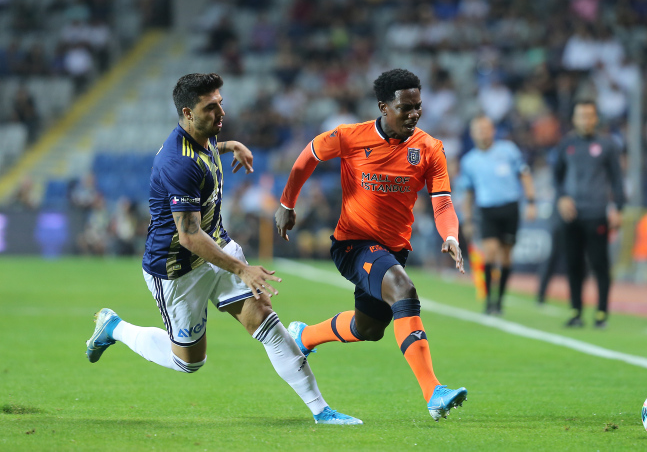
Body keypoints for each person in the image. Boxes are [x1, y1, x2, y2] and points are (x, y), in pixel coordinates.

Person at [85, 73, 360, 425]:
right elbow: (189, 235)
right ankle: (114, 327)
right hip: (177, 269)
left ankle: (322, 411)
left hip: (218, 247)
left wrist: (231, 145)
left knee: (267, 322)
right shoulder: (178, 162)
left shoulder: (203, 136)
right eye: (210, 107)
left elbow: (210, 150)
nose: (221, 112)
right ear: (188, 113)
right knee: (189, 362)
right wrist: (242, 269)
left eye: (220, 104)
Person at [274, 68, 468, 421]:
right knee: (404, 291)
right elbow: (308, 156)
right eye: (405, 107)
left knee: (369, 329)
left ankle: (305, 336)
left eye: (418, 107)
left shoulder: (430, 148)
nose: (414, 114)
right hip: (353, 243)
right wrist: (287, 203)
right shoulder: (350, 136)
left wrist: (450, 235)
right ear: (383, 107)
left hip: (394, 250)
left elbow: (442, 202)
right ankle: (434, 392)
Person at [553, 100, 625, 328]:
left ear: (596, 118)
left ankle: (601, 313)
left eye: (589, 116)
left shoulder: (607, 145)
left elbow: (617, 179)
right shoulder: (566, 144)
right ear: (574, 119)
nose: (585, 120)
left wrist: (618, 208)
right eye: (581, 116)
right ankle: (576, 311)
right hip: (572, 214)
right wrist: (562, 198)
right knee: (573, 264)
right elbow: (556, 177)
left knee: (599, 264)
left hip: (596, 213)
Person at [459, 116, 537, 314]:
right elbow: (467, 192)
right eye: (479, 129)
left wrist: (530, 201)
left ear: (493, 130)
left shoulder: (508, 150)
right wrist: (467, 219)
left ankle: (500, 299)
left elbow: (525, 174)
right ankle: (488, 300)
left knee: (506, 256)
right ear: (472, 134)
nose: (483, 133)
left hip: (510, 207)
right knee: (490, 251)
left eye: (486, 128)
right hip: (487, 210)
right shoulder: (469, 161)